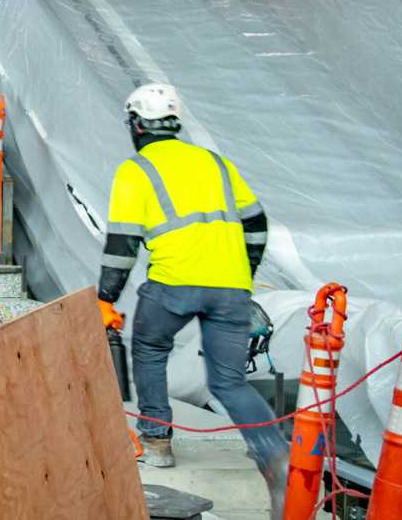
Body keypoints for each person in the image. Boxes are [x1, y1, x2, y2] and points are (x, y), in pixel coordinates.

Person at [97, 82, 286, 519]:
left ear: (137, 125)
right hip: (231, 287)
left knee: (150, 347)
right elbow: (256, 223)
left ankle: (157, 440)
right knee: (229, 383)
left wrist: (105, 298)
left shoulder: (137, 170)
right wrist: (243, 275)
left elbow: (122, 243)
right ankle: (275, 455)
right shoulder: (215, 162)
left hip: (174, 282)